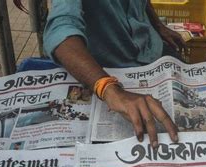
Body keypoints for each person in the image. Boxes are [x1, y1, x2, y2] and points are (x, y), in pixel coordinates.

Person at [44, 0, 184, 148]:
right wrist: (107, 87)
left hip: (152, 48)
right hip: (107, 69)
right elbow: (61, 30)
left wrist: (158, 26)